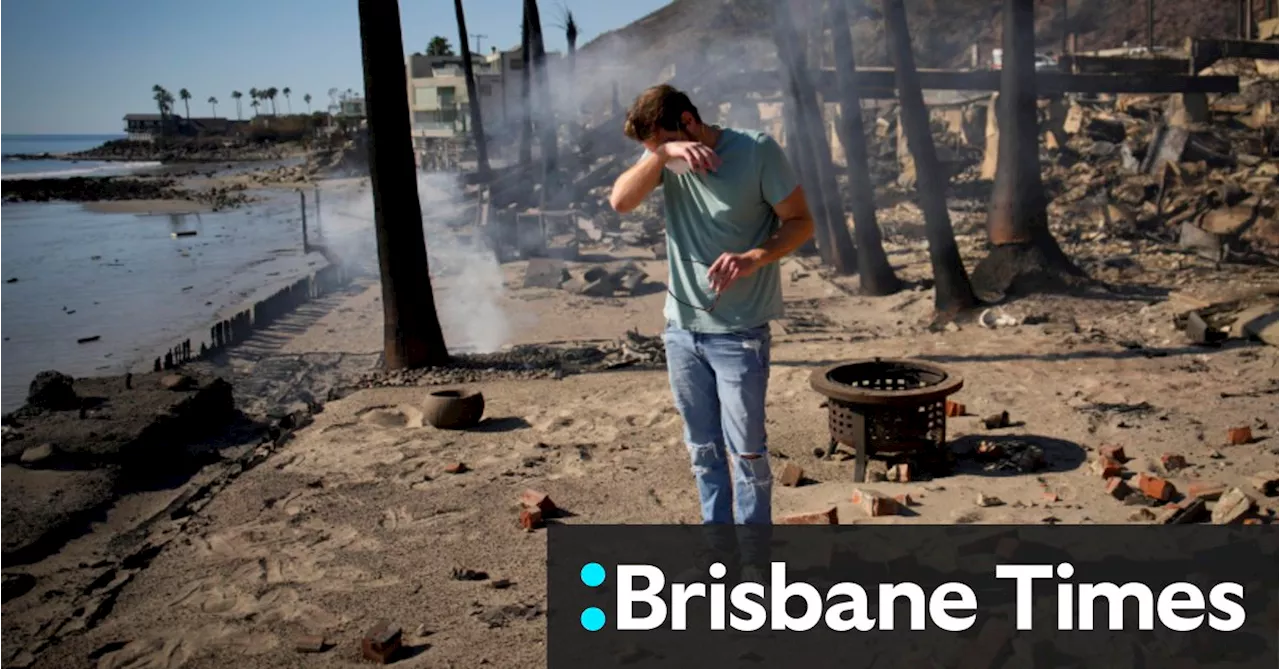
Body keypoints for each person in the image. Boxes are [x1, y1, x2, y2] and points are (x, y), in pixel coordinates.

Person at [608, 84, 815, 528]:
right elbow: (620, 201)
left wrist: (754, 257)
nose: (663, 153)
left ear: (688, 120)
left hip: (740, 334)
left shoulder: (757, 150)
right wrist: (662, 155)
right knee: (702, 452)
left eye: (665, 142)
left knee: (748, 455)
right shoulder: (665, 160)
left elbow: (801, 221)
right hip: (680, 332)